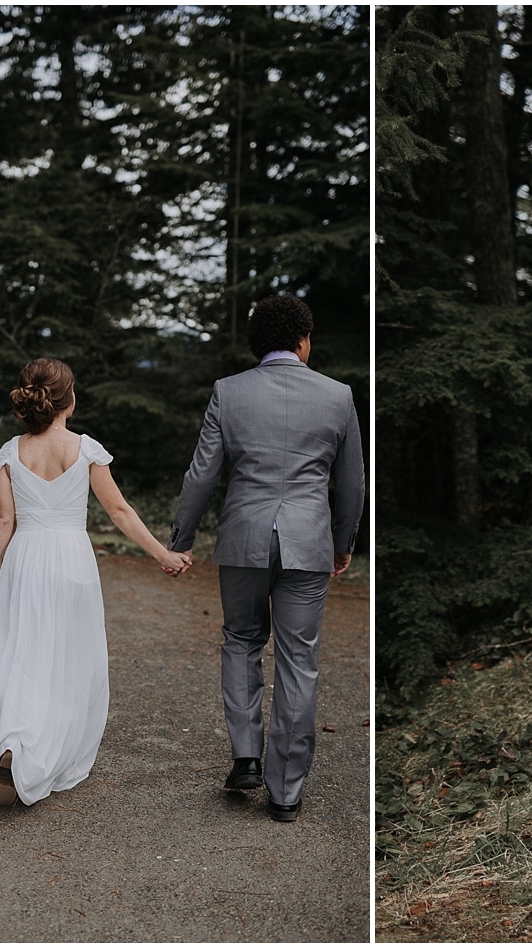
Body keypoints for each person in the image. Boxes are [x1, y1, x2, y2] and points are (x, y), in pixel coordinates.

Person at [0, 358, 192, 807]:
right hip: (70, 560)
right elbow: (119, 512)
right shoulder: (85, 449)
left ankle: (12, 740)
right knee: (66, 659)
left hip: (24, 559)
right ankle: (37, 753)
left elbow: (4, 519)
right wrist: (164, 555)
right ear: (68, 401)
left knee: (21, 652)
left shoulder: (10, 452)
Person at [171, 295, 365, 822]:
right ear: (303, 341)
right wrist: (343, 542)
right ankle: (285, 792)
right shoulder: (337, 395)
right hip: (308, 541)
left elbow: (202, 474)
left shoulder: (229, 392)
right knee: (299, 660)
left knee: (240, 640)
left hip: (243, 539)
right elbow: (351, 481)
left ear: (258, 344)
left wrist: (181, 537)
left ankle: (246, 757)